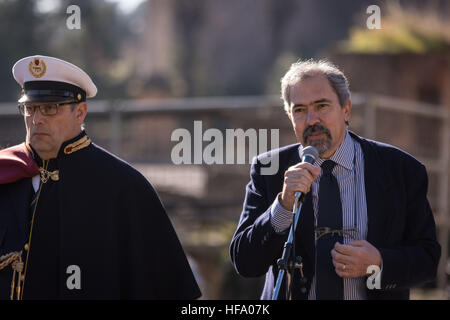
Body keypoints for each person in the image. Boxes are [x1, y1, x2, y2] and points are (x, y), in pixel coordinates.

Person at [230, 59, 441, 300]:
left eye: (322, 106)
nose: (311, 119)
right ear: (290, 117)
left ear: (346, 109)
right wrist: (283, 205)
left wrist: (379, 263)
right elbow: (245, 263)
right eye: (299, 110)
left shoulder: (401, 170)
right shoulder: (268, 169)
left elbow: (427, 259)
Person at [0, 55, 201, 300]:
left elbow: (168, 288)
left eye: (50, 108)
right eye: (30, 108)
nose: (37, 119)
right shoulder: (6, 173)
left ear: (80, 112)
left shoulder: (125, 188)